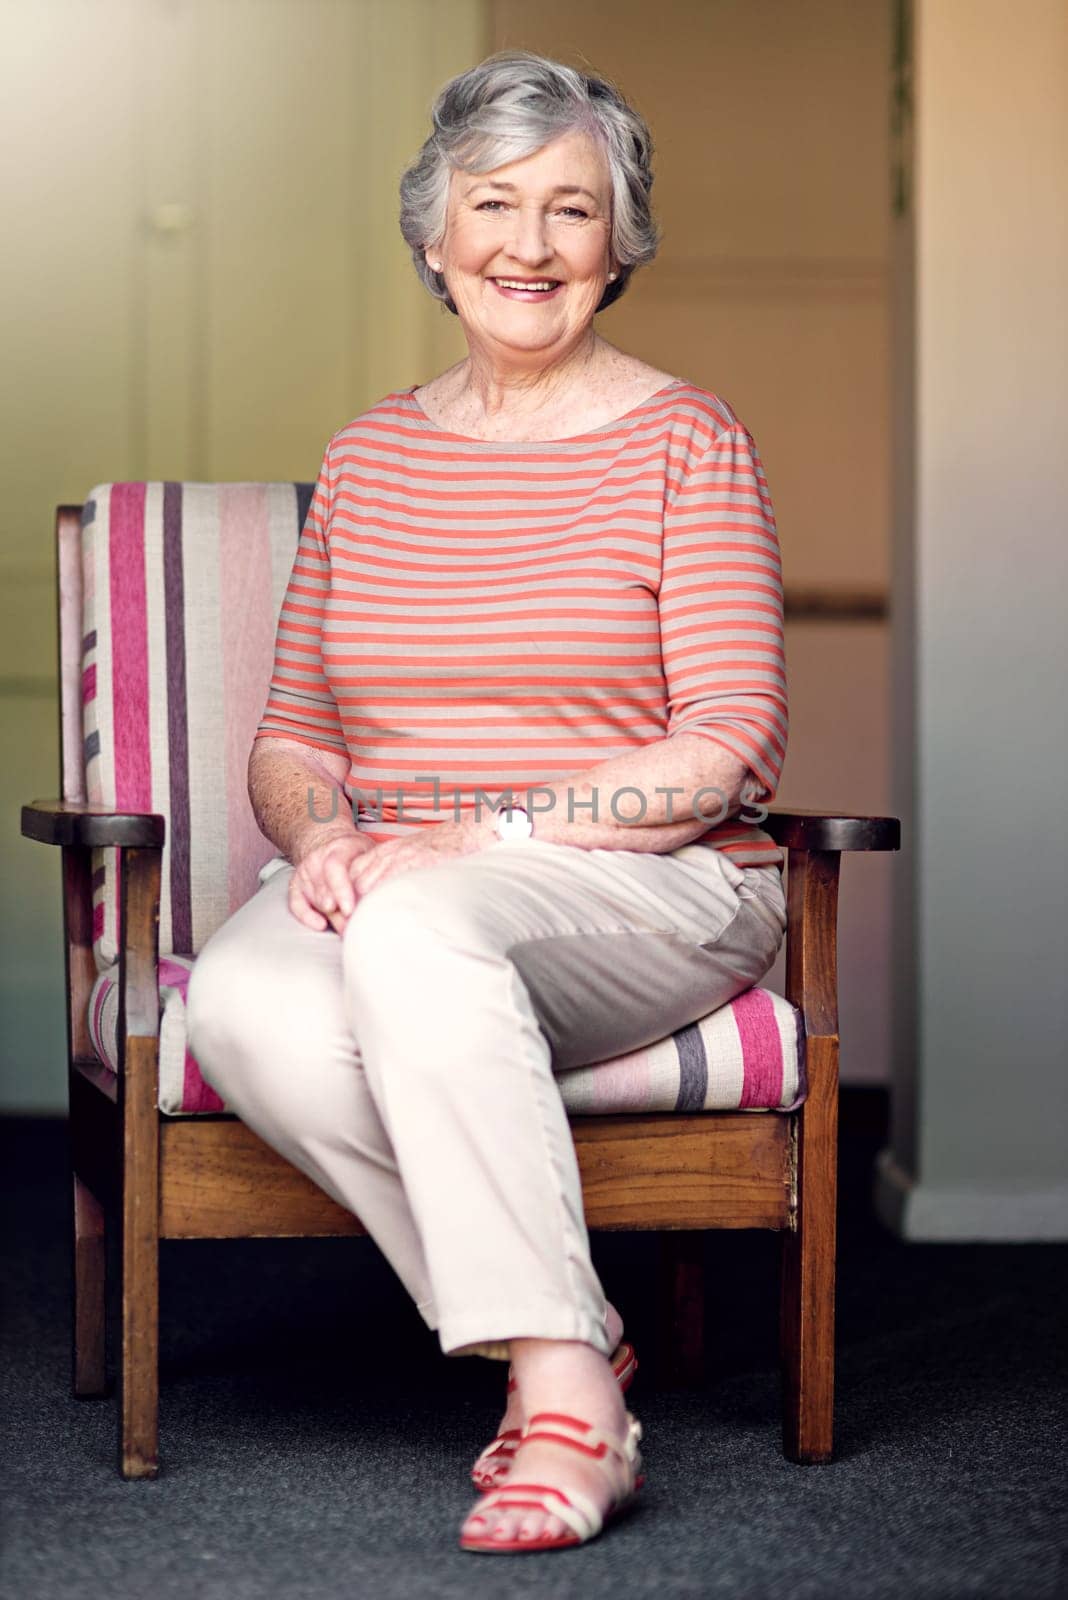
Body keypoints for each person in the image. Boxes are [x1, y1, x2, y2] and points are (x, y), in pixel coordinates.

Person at [186, 49, 788, 1555]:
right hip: (403, 879)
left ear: (620, 245)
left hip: (646, 881)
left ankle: (575, 1420)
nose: (529, 245)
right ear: (435, 237)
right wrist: (322, 838)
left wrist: (478, 835)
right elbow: (293, 737)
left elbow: (732, 742)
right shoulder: (371, 456)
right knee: (243, 1002)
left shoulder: (683, 439)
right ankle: (563, 1345)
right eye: (495, 205)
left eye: (571, 210)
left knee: (414, 932)